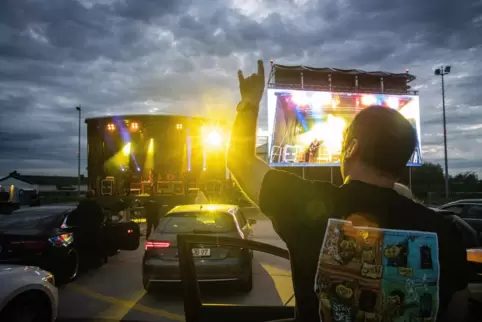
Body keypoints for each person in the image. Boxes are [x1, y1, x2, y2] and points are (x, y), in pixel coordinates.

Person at [227, 60, 469, 322]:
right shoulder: (444, 233)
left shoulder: (305, 204)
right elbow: (459, 313)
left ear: (351, 148)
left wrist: (249, 102)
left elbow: (239, 162)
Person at [68, 190, 106, 267]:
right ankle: (96, 263)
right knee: (95, 248)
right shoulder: (97, 206)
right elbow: (101, 217)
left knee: (83, 249)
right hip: (94, 232)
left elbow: (70, 220)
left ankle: (83, 263)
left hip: (82, 232)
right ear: (93, 196)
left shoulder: (80, 207)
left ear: (86, 196)